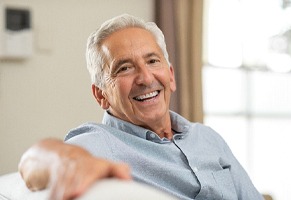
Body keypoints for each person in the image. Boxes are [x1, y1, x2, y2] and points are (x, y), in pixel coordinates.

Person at [18, 14, 264, 200]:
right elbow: (32, 162)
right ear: (101, 95)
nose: (146, 78)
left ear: (171, 76)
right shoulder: (100, 144)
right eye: (124, 68)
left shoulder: (208, 138)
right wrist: (67, 160)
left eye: (152, 61)